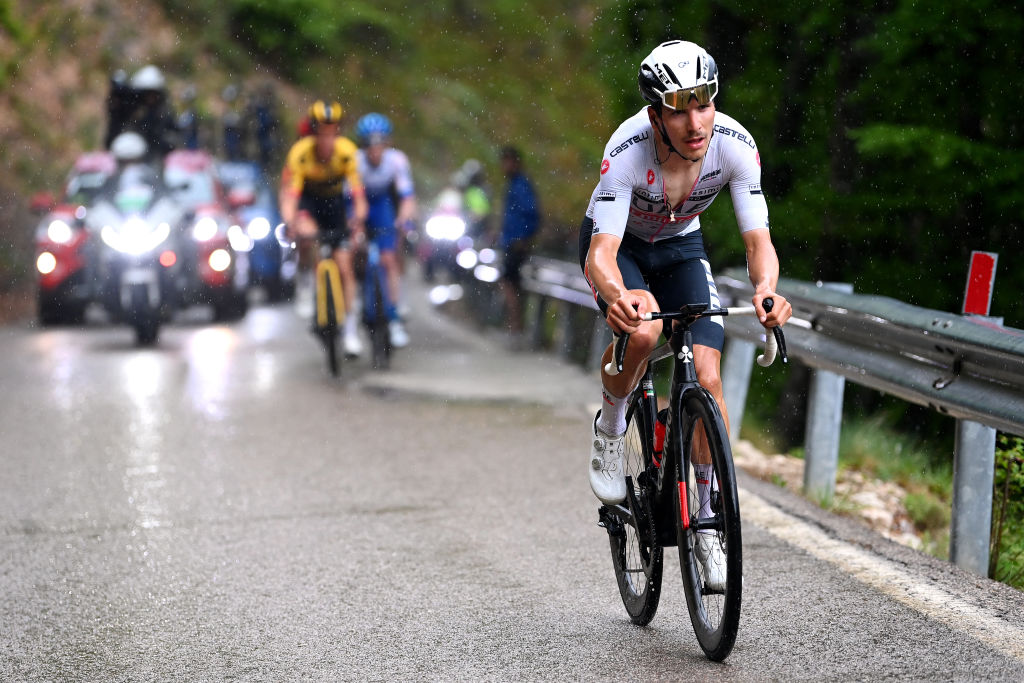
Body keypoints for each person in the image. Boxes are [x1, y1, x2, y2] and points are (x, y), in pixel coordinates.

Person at [579, 40, 792, 587]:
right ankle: (610, 425)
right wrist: (616, 294)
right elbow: (601, 253)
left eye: (705, 104)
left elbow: (757, 240)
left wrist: (766, 289)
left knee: (709, 372)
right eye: (679, 109)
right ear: (655, 114)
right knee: (646, 331)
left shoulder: (735, 146)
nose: (695, 122)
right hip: (620, 245)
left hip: (679, 246)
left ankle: (704, 525)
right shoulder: (627, 149)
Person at [280, 100, 368, 356]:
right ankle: (306, 281)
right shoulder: (301, 153)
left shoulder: (347, 152)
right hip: (309, 201)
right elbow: (291, 197)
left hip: (335, 204)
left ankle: (350, 330)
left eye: (332, 132)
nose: (327, 138)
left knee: (344, 267)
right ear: (314, 131)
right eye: (321, 132)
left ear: (338, 131)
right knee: (306, 234)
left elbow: (359, 196)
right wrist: (290, 222)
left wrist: (358, 219)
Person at [353, 113, 417, 348]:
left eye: (379, 143)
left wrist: (403, 220)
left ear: (387, 143)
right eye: (369, 143)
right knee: (354, 254)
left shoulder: (397, 160)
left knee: (389, 259)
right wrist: (356, 226)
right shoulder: (355, 161)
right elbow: (350, 200)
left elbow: (407, 198)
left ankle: (394, 318)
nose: (374, 149)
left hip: (382, 205)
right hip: (358, 202)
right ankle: (357, 305)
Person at [498, 146, 539, 343]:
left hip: (516, 244)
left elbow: (531, 214)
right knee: (510, 284)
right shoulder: (514, 184)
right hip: (510, 241)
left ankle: (515, 329)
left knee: (510, 284)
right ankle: (514, 328)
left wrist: (522, 238)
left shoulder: (521, 185)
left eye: (507, 161)